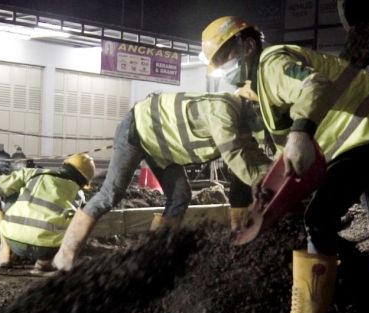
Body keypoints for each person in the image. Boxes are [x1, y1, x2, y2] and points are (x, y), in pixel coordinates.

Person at [201, 16, 369, 313]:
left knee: (319, 219)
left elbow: (313, 85)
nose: (222, 69)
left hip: (366, 133)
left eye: (223, 59)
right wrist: (268, 187)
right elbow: (288, 158)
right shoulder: (263, 84)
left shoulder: (272, 64)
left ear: (247, 45)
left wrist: (301, 132)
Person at [51, 92, 274, 271]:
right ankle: (65, 255)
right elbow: (236, 156)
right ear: (250, 105)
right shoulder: (223, 111)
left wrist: (273, 174)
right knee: (112, 192)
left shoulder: (241, 127)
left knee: (180, 196)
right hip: (138, 129)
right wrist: (263, 182)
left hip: (163, 147)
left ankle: (156, 252)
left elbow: (251, 158)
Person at [0, 153, 95, 272]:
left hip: (14, 241)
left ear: (64, 165)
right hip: (47, 249)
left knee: (12, 196)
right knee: (74, 222)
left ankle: (5, 254)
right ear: (84, 182)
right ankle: (44, 262)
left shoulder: (33, 173)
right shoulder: (79, 196)